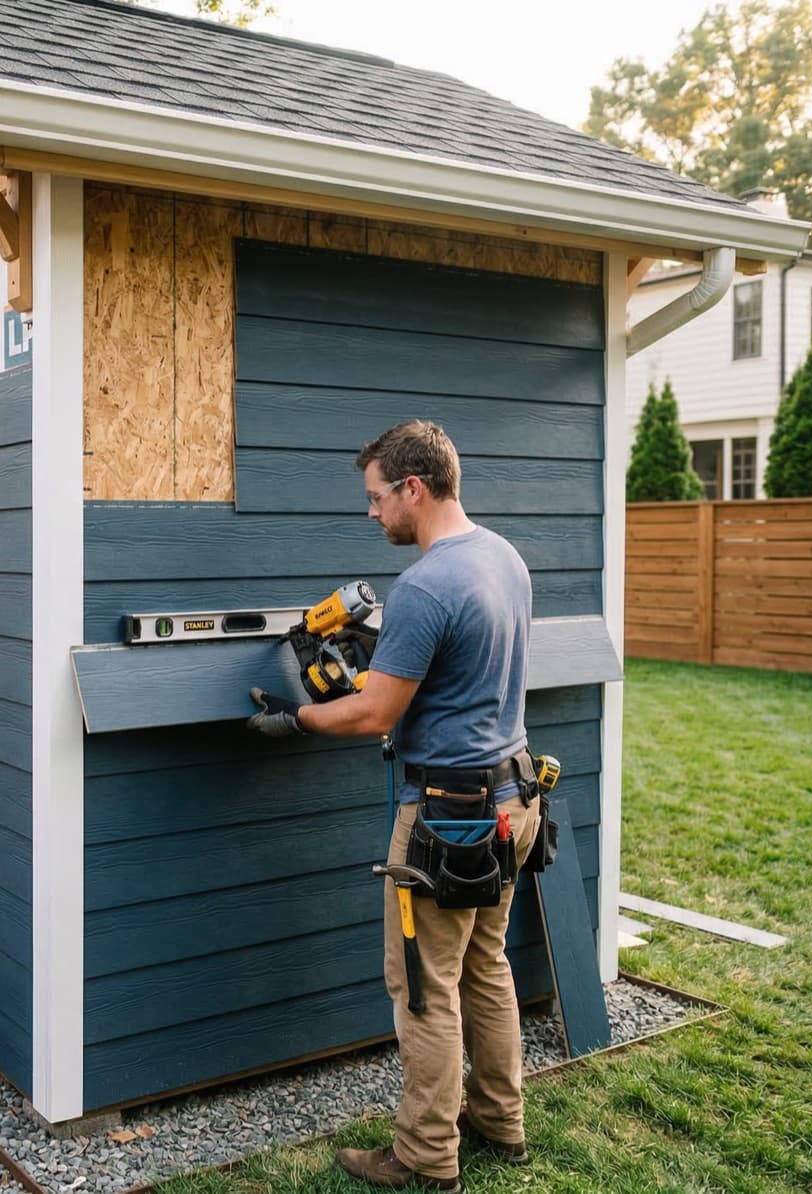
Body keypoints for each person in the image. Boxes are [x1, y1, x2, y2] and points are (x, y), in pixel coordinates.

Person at [247, 420, 541, 1193]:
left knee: (423, 987)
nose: (372, 514)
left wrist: (296, 717)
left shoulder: (427, 585)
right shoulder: (503, 558)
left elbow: (373, 715)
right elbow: (458, 674)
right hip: (512, 804)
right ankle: (500, 1121)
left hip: (447, 820)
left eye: (377, 498)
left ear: (415, 488)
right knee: (486, 968)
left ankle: (424, 1156)